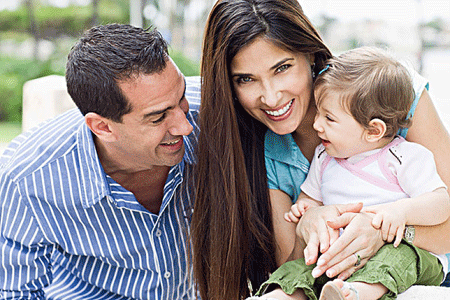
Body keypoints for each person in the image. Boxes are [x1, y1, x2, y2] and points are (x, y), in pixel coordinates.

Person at [191, 1, 450, 299]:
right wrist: (308, 222)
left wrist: (382, 230)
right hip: (330, 277)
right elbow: (294, 264)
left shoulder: (388, 95)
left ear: (310, 54)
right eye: (246, 79)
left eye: (282, 68)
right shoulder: (264, 148)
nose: (271, 97)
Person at [0, 23, 200, 299]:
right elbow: (15, 292)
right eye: (157, 117)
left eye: (182, 98)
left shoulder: (217, 112)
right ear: (102, 127)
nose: (185, 126)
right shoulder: (27, 179)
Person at [250, 47, 450, 300]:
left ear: (373, 130)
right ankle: (283, 294)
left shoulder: (404, 157)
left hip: (406, 251)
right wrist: (307, 211)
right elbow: (309, 197)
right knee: (304, 267)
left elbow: (441, 202)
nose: (316, 124)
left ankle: (357, 294)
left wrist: (400, 213)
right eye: (319, 112)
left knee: (394, 258)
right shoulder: (325, 158)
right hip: (344, 254)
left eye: (329, 118)